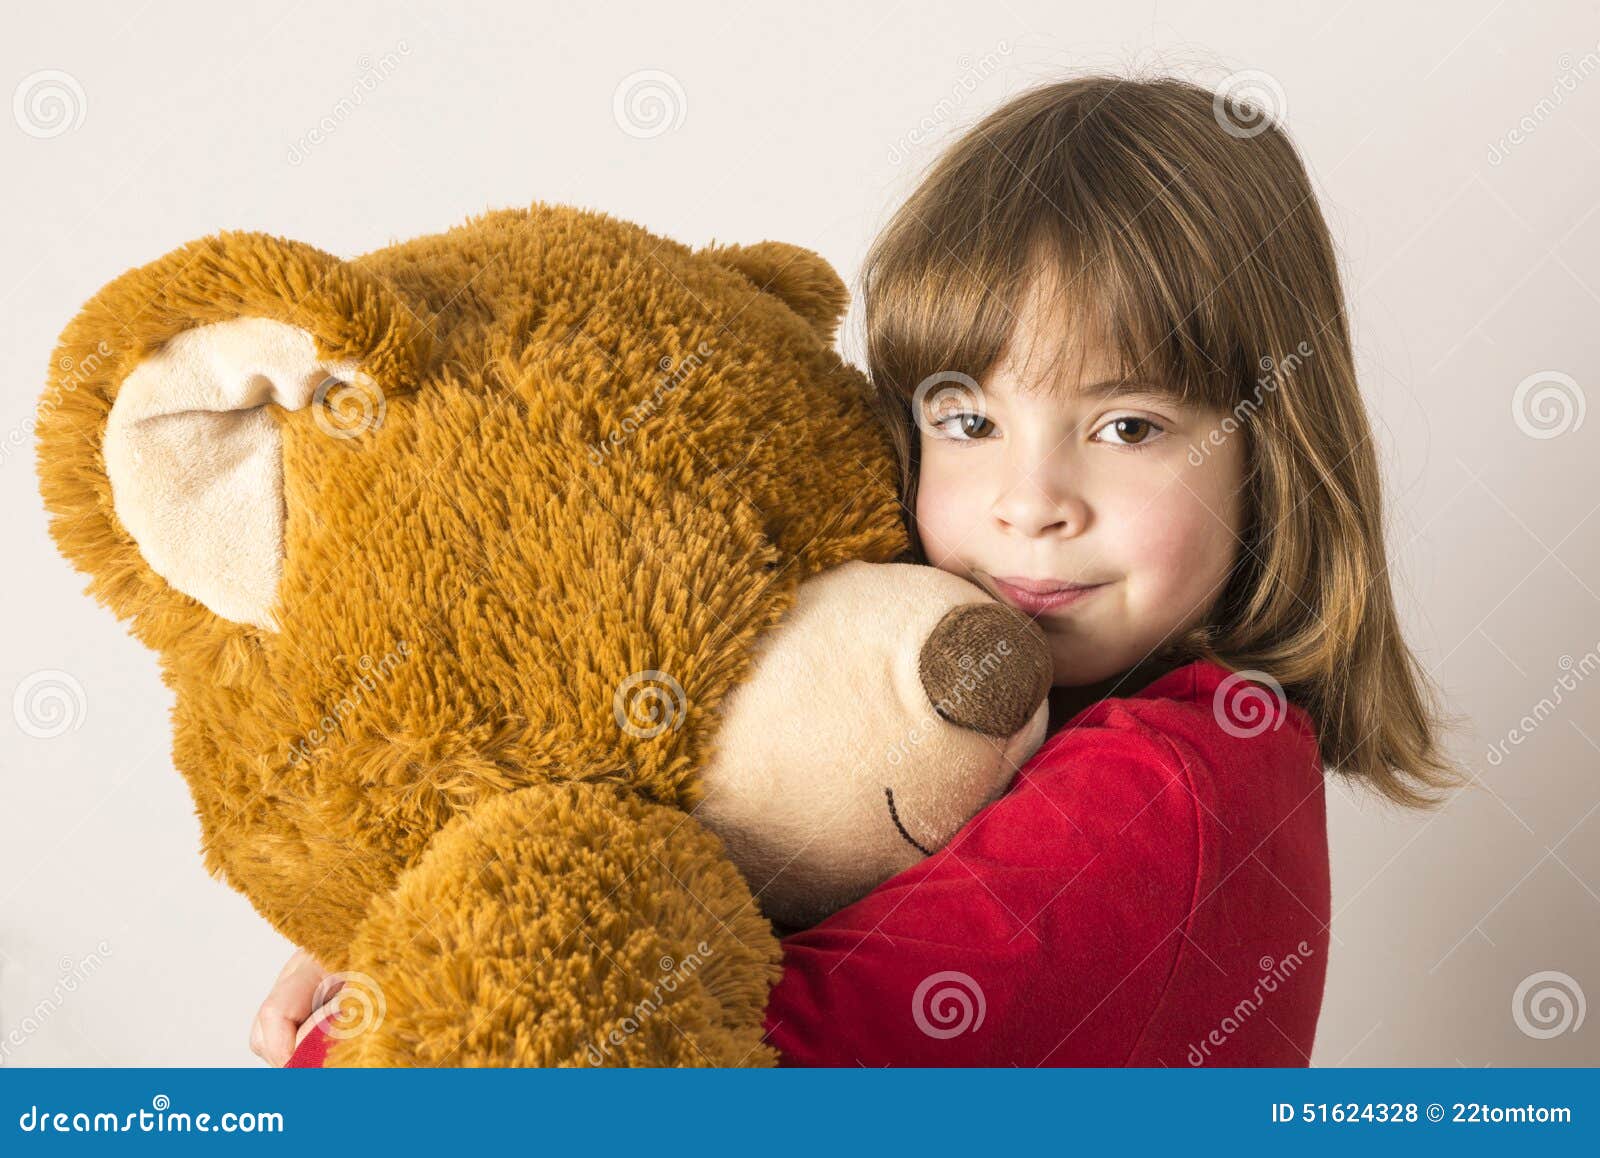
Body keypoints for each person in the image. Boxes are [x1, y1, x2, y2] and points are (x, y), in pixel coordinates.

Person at [254, 73, 1459, 1068]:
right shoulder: (973, 720)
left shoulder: (1182, 784)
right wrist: (396, 923)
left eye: (1127, 426)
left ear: (1273, 447)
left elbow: (697, 1068)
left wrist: (436, 983)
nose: (1029, 504)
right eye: (966, 421)